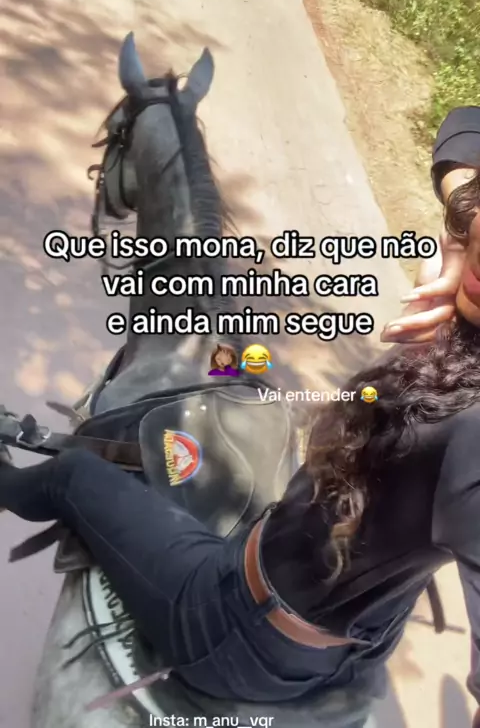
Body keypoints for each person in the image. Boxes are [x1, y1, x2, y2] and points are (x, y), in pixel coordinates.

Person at [2, 107, 480, 727]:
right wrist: (460, 230)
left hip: (241, 632)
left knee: (73, 476)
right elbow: (464, 127)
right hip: (352, 646)